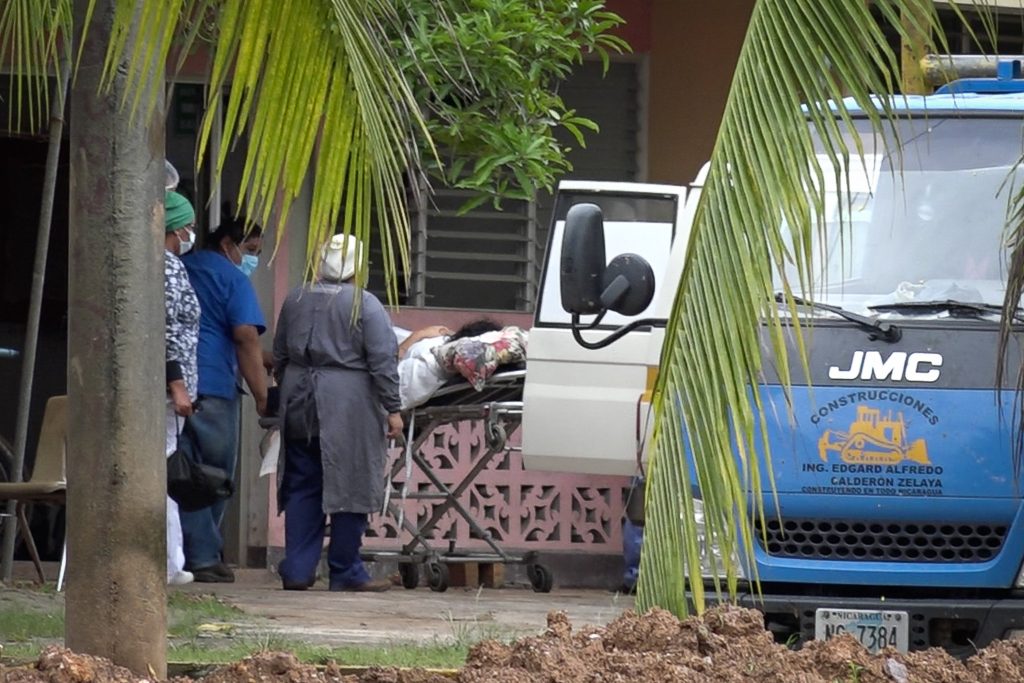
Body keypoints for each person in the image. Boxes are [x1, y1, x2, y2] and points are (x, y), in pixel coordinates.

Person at [273, 234, 403, 592]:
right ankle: (345, 569)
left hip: (299, 399)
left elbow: (280, 355)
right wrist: (393, 408)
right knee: (351, 483)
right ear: (357, 267)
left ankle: (298, 570)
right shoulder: (367, 305)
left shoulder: (296, 298)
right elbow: (382, 362)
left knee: (302, 482)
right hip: (349, 405)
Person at [179, 213, 268, 583]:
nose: (252, 259)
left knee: (181, 471)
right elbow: (245, 336)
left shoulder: (181, 267)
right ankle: (202, 556)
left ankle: (187, 554)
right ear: (227, 245)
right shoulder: (232, 278)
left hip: (174, 382)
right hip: (212, 386)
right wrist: (263, 396)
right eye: (249, 250)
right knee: (212, 476)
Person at [163, 190, 200, 586]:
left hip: (169, 388)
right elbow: (167, 329)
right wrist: (177, 384)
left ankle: (171, 561)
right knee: (161, 473)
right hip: (166, 393)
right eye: (188, 227)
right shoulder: (168, 267)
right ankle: (170, 563)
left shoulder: (165, 265)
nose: (190, 235)